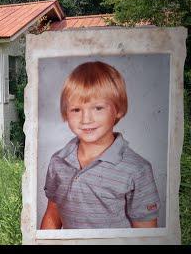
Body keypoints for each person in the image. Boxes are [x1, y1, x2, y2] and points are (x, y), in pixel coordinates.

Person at [41, 61, 161, 229]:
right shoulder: (58, 161)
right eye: (76, 110)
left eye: (97, 108)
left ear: (118, 109)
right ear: (66, 113)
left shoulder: (137, 169)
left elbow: (145, 232)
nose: (86, 119)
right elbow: (53, 214)